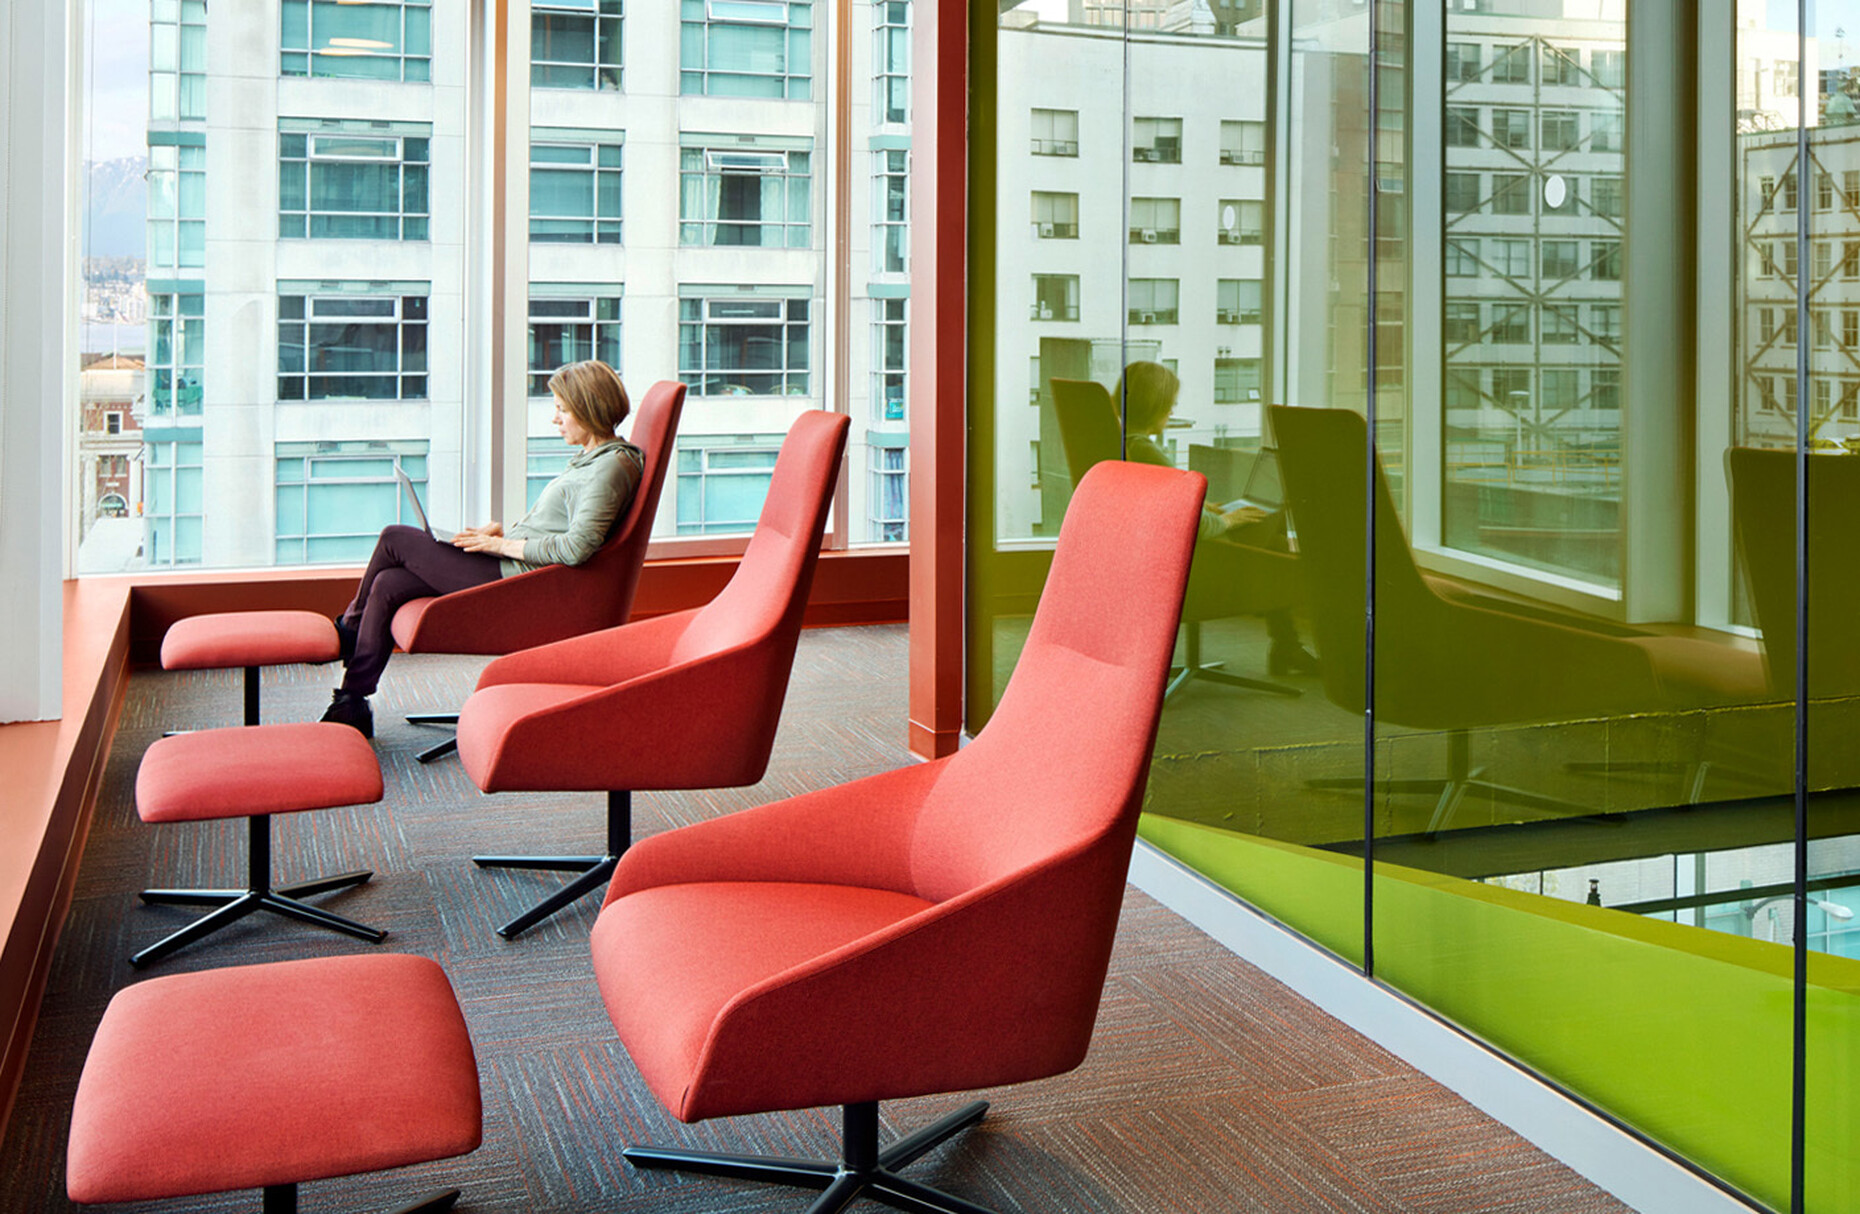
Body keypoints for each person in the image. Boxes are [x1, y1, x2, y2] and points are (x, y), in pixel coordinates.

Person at [321, 360, 645, 736]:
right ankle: (351, 702)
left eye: (561, 409)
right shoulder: (595, 460)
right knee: (390, 584)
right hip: (511, 567)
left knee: (395, 538)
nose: (555, 419)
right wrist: (501, 535)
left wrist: (502, 545)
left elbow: (577, 548)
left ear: (589, 408)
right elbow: (561, 528)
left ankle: (349, 629)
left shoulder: (610, 469)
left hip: (521, 584)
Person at [1114, 360, 1317, 676]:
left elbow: (1166, 507)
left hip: (1156, 560)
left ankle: (1286, 644)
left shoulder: (1120, 443)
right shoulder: (1144, 450)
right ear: (1154, 405)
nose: (1171, 410)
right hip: (1203, 562)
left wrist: (1208, 506)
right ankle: (1287, 645)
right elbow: (1187, 523)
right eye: (1169, 405)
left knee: (1273, 534)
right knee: (1280, 536)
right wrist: (1228, 521)